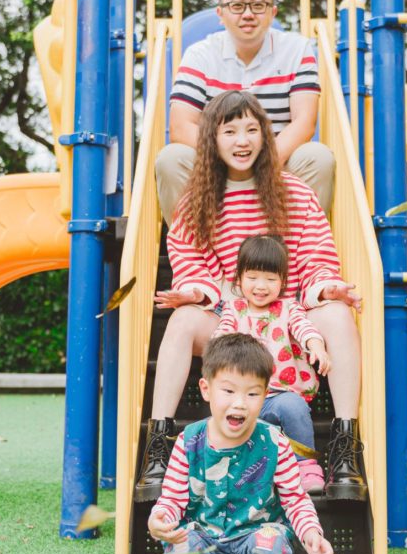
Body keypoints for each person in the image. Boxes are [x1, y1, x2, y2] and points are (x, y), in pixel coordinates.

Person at [137, 89, 365, 503]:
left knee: (337, 314)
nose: (241, 141)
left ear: (265, 136)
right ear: (213, 139)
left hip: (287, 315)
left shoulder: (294, 192)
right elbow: (192, 263)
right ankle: (159, 447)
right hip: (232, 316)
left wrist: (327, 287)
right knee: (183, 320)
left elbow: (315, 256)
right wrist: (195, 292)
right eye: (229, 132)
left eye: (251, 130)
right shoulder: (196, 201)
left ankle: (345, 448)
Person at [148, 333, 335, 554]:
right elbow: (172, 500)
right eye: (229, 391)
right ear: (206, 389)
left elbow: (295, 499)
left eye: (252, 394)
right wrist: (160, 520)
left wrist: (312, 534)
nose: (240, 403)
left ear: (265, 396)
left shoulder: (274, 442)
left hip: (255, 539)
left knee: (271, 541)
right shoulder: (189, 441)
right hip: (206, 541)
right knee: (180, 542)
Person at [154, 0, 335, 221]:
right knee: (171, 158)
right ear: (221, 13)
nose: (248, 14)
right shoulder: (200, 54)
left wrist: (260, 162)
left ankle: (296, 243)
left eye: (258, 5)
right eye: (237, 6)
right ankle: (195, 243)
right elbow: (180, 127)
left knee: (318, 157)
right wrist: (232, 159)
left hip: (277, 161)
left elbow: (304, 122)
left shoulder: (297, 49)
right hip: (216, 163)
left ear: (272, 12)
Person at [213, 234, 329, 494]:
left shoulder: (289, 308)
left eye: (270, 279)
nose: (261, 286)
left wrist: (316, 346)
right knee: (222, 416)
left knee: (294, 407)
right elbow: (222, 334)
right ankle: (233, 471)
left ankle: (306, 466)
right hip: (243, 396)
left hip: (280, 394)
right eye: (253, 277)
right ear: (239, 278)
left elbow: (304, 328)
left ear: (283, 281)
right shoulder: (233, 309)